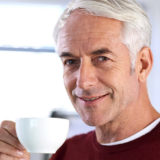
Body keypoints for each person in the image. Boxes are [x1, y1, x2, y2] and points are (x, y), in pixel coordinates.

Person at [0, 0, 160, 159]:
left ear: (142, 64)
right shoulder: (66, 152)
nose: (82, 82)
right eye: (70, 61)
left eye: (102, 58)